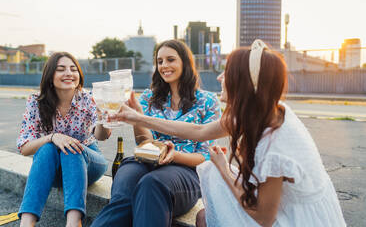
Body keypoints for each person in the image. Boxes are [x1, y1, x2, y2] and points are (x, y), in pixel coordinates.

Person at [109, 40, 346, 227]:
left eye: (227, 73)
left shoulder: (278, 144)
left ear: (244, 83)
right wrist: (137, 117)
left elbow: (264, 218)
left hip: (294, 218)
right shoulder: (257, 109)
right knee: (202, 216)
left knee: (199, 206)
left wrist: (223, 167)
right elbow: (199, 131)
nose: (220, 78)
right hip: (269, 207)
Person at [91, 39, 221, 227]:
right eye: (160, 61)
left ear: (185, 62)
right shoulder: (148, 97)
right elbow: (145, 142)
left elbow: (206, 156)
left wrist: (174, 155)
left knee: (152, 183)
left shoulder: (208, 101)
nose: (164, 66)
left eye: (170, 60)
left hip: (187, 171)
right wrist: (138, 117)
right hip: (147, 161)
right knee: (126, 181)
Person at [17, 52, 111, 227]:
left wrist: (101, 117)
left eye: (73, 69)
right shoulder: (36, 102)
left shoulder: (89, 98)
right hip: (52, 170)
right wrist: (53, 137)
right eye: (61, 69)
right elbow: (24, 148)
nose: (69, 73)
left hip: (88, 163)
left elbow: (102, 136)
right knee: (47, 147)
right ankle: (26, 223)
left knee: (71, 149)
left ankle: (74, 222)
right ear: (50, 76)